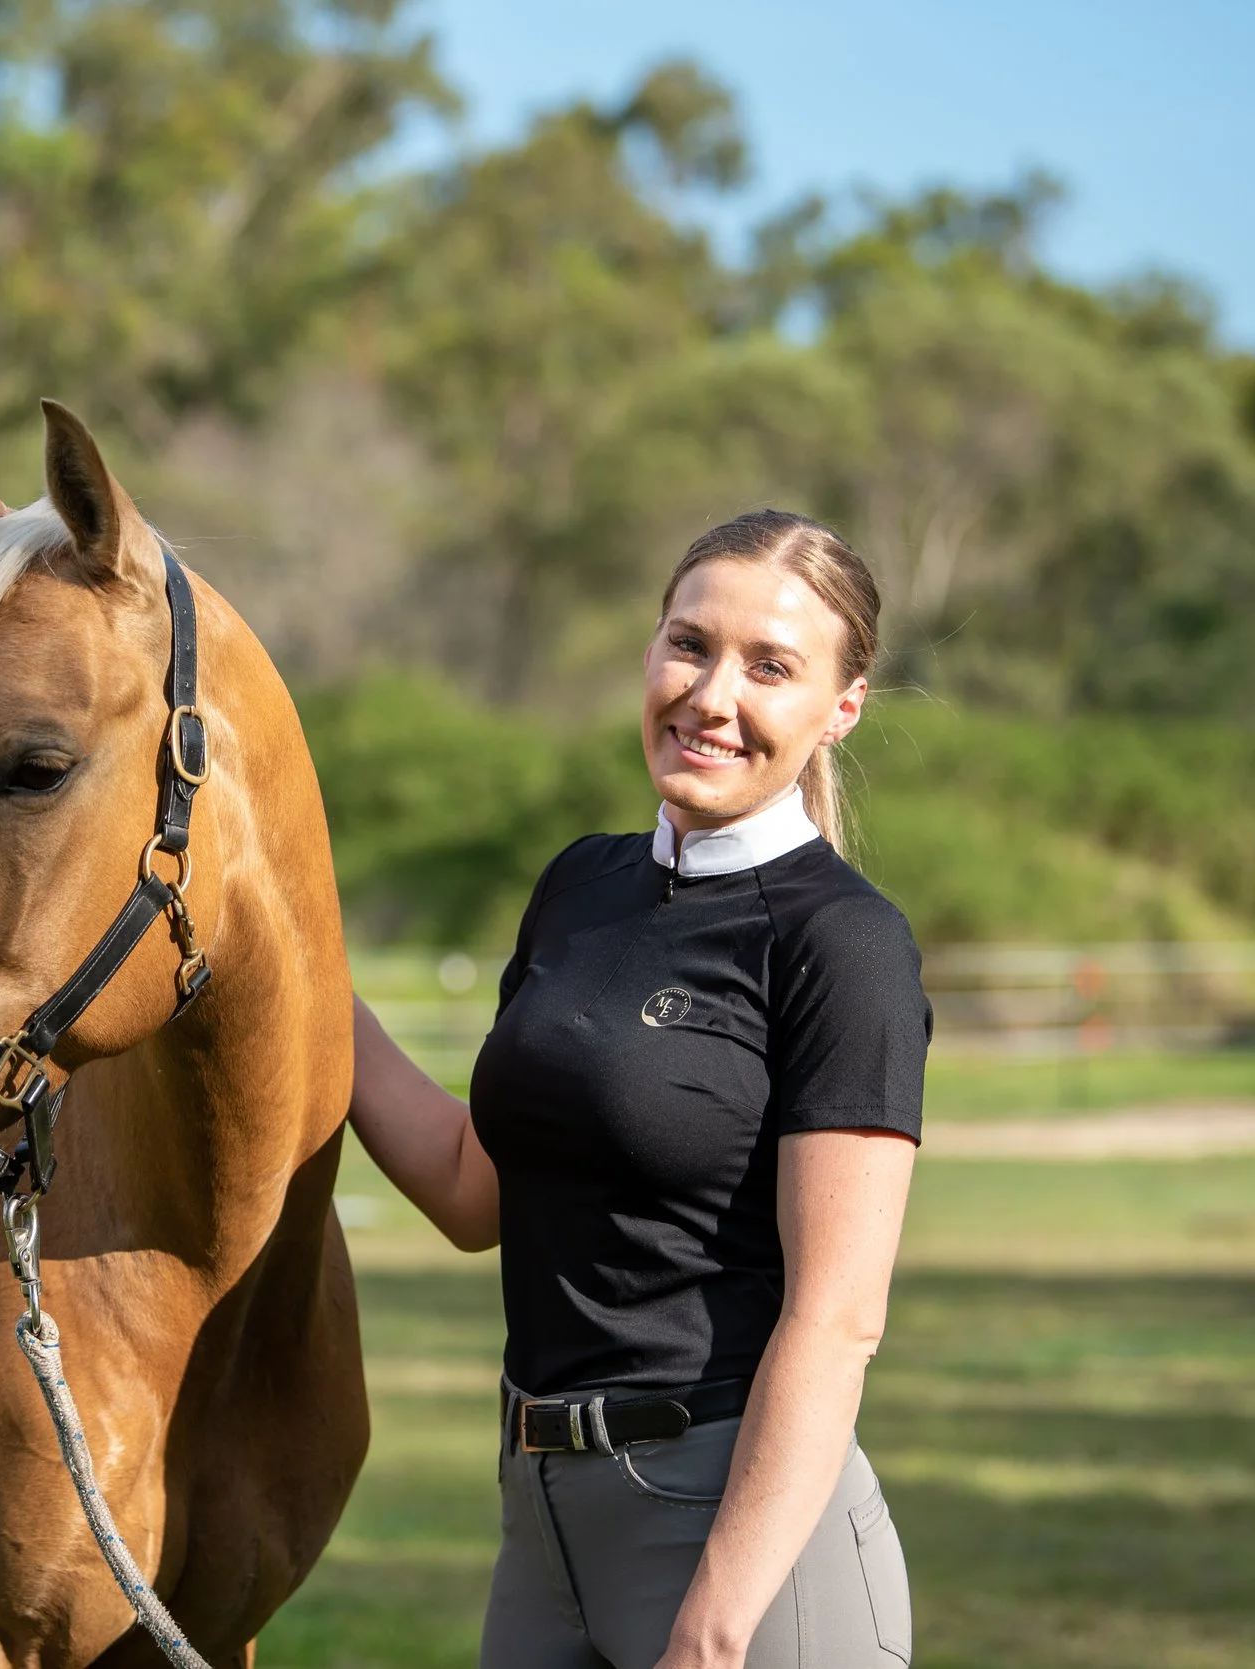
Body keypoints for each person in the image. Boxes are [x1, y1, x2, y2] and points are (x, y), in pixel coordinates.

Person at [346, 510, 928, 1669]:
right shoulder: (580, 883)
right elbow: (474, 1194)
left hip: (740, 1549)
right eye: (688, 644)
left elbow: (836, 1318)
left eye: (769, 667)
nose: (712, 696)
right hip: (541, 1521)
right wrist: (310, 995)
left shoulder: (841, 943)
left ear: (840, 707)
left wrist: (713, 1632)